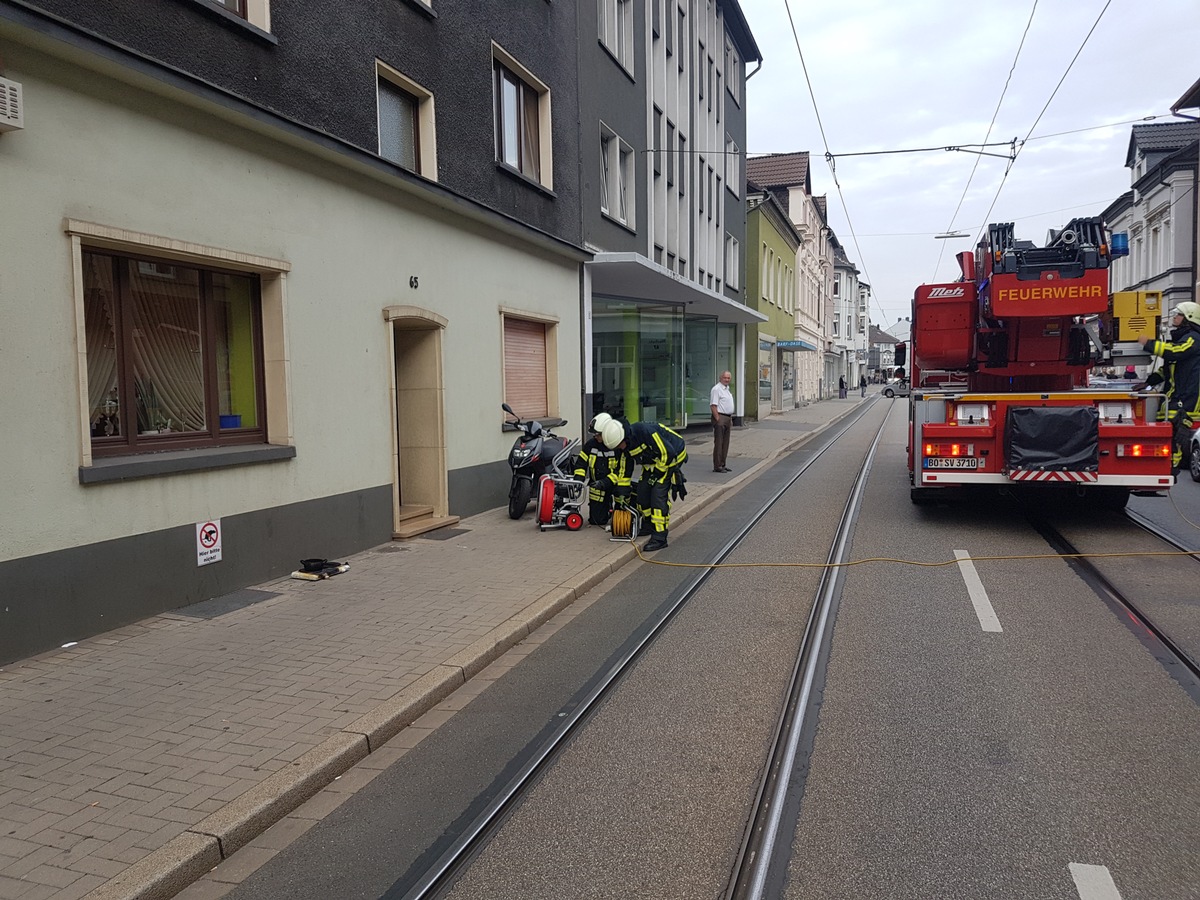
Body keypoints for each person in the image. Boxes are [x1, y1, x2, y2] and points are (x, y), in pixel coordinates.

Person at [600, 419, 687, 551]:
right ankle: (648, 525)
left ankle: (660, 537)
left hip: (672, 456)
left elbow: (667, 453)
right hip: (652, 461)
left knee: (658, 495)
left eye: (619, 445)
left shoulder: (645, 432)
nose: (619, 448)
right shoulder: (622, 447)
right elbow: (624, 473)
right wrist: (623, 495)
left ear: (624, 437)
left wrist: (656, 475)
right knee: (642, 493)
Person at [1136, 302, 1200, 474]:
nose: (1174, 317)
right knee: (1169, 436)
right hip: (1176, 399)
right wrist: (1149, 382)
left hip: (1186, 401)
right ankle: (1167, 468)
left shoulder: (1194, 338)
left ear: (1189, 318)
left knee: (1175, 438)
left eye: (1178, 315)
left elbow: (1175, 351)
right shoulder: (1183, 337)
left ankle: (1171, 469)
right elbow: (1167, 370)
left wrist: (1148, 343)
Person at [573, 413, 634, 527]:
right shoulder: (590, 445)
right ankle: (605, 509)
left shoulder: (618, 445)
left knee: (619, 520)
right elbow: (581, 464)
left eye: (597, 434)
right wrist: (578, 480)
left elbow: (621, 471)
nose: (595, 437)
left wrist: (605, 482)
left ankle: (617, 509)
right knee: (597, 521)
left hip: (616, 484)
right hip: (597, 485)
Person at [709, 370, 734, 473]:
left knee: (725, 443)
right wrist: (718, 418)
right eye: (725, 378)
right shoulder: (717, 389)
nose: (727, 380)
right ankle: (717, 466)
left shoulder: (727, 389)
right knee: (719, 443)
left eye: (728, 378)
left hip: (728, 418)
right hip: (720, 417)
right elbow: (713, 405)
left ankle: (723, 464)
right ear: (721, 378)